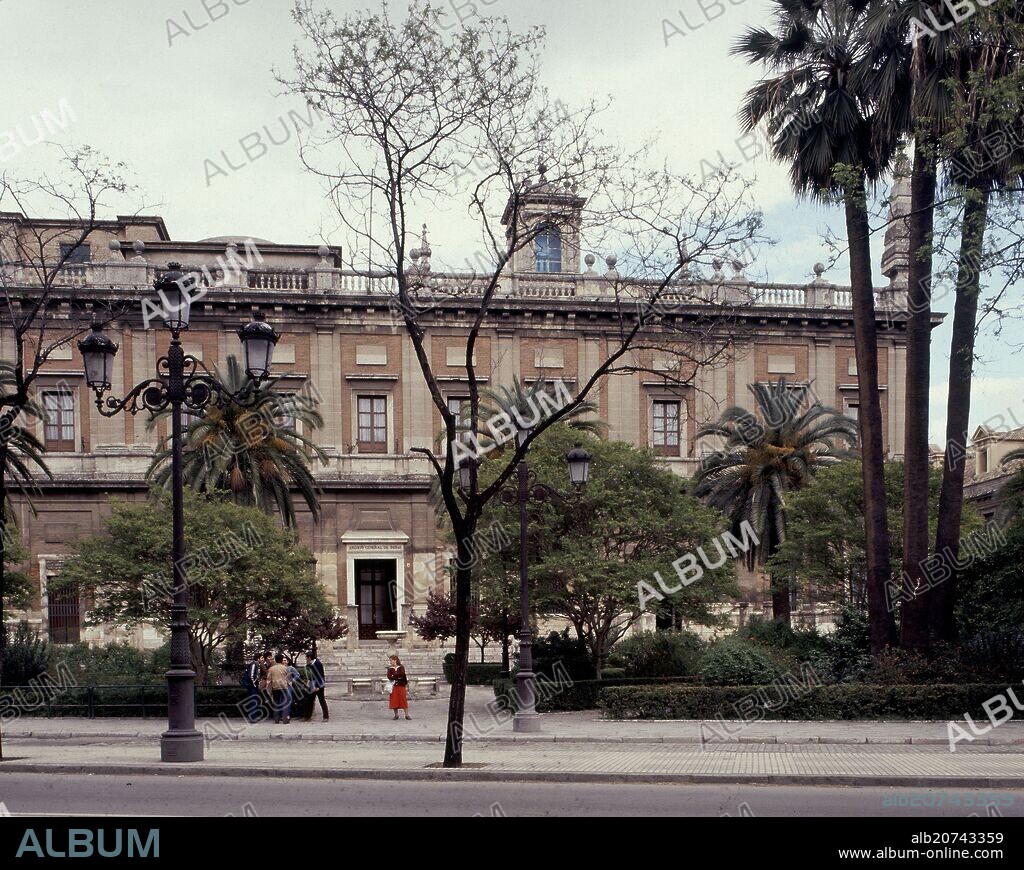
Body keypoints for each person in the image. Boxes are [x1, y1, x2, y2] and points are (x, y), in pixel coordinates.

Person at [303, 651, 329, 722]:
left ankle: (325, 717)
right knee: (309, 700)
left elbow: (320, 675)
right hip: (312, 684)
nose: (306, 659)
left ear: (309, 657)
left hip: (318, 685)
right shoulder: (311, 663)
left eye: (306, 657)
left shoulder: (318, 664)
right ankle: (307, 716)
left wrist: (318, 686)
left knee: (321, 700)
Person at [266, 653, 292, 724]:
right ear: (281, 660)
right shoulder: (285, 668)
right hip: (284, 687)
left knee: (276, 703)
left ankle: (276, 719)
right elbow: (289, 679)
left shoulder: (271, 669)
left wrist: (268, 689)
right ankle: (285, 719)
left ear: (276, 660)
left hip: (275, 688)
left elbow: (268, 680)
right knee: (285, 703)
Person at [387, 654, 411, 721]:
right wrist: (397, 676)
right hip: (394, 686)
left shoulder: (401, 667)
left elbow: (402, 674)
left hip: (401, 685)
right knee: (394, 700)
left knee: (403, 699)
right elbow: (389, 677)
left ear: (395, 660)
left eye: (391, 660)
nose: (390, 662)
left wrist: (394, 676)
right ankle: (396, 715)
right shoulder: (390, 669)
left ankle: (406, 715)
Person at [241, 653, 261, 723]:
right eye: (261, 658)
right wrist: (254, 684)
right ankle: (253, 718)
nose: (262, 660)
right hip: (252, 687)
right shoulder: (254, 664)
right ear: (258, 658)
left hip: (252, 686)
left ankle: (254, 717)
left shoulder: (256, 664)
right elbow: (251, 676)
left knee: (254, 701)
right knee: (253, 701)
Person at [285, 655, 302, 723]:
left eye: (285, 660)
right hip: (281, 686)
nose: (284, 661)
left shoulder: (290, 668)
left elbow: (297, 674)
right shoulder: (280, 668)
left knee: (288, 700)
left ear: (287, 661)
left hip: (289, 686)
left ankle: (288, 714)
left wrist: (292, 681)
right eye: (283, 660)